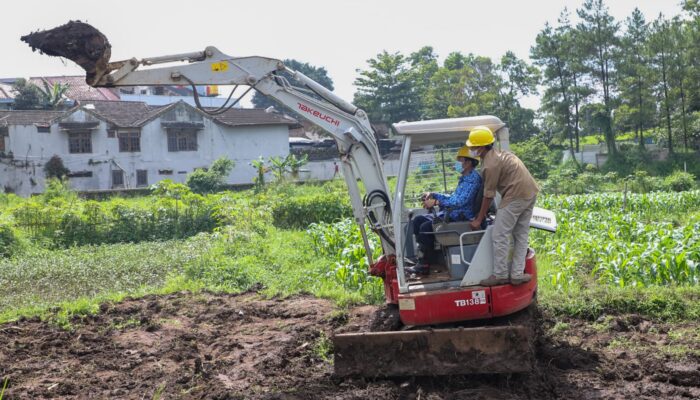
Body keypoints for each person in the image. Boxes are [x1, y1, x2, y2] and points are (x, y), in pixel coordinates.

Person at [466, 126, 539, 286]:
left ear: (481, 147)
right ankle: (517, 274)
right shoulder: (498, 154)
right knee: (521, 234)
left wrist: (479, 219)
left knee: (499, 234)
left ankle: (499, 275)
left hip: (517, 194)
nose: (470, 149)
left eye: (473, 146)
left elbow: (488, 195)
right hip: (530, 192)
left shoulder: (489, 165)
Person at [407, 146, 482, 276]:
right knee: (418, 220)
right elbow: (454, 198)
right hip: (452, 213)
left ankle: (425, 264)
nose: (458, 163)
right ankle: (423, 259)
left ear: (469, 162)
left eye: (461, 160)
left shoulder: (472, 179)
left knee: (426, 227)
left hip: (460, 216)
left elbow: (460, 201)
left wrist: (436, 202)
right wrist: (434, 195)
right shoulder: (465, 178)